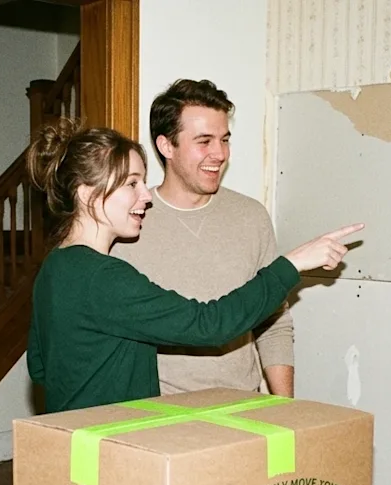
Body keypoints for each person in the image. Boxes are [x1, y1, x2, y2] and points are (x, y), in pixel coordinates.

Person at [25, 118, 363, 413]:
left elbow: (41, 369)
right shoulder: (104, 277)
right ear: (87, 194)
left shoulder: (54, 267)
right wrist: (292, 263)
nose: (145, 196)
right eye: (131, 184)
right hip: (117, 445)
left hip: (74, 445)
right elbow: (210, 325)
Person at [110, 79, 295, 397]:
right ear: (166, 146)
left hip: (243, 406)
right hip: (158, 415)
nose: (220, 153)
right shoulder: (128, 226)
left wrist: (285, 408)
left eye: (224, 139)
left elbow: (274, 321)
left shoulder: (252, 216)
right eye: (204, 141)